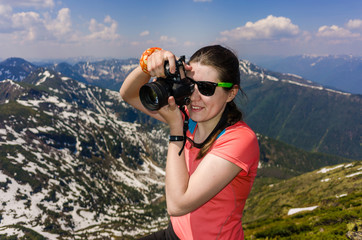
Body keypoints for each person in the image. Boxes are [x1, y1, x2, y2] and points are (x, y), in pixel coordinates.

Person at [120, 45, 260, 240]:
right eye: (190, 84)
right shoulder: (190, 119)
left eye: (206, 88)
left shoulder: (239, 139)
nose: (194, 96)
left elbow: (178, 205)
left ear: (231, 93)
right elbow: (129, 94)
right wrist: (148, 64)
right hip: (175, 233)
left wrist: (176, 129)